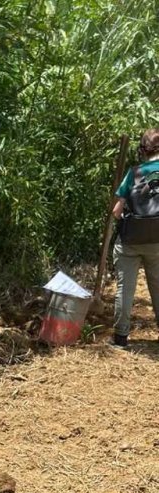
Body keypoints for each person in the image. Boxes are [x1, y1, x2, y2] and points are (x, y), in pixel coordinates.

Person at [111, 127, 159, 348]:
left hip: (130, 240)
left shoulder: (134, 172)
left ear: (143, 149)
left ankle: (121, 338)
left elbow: (116, 211)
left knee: (125, 288)